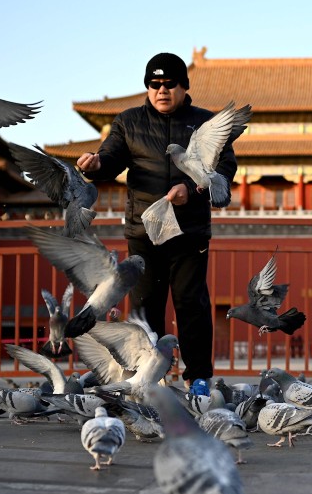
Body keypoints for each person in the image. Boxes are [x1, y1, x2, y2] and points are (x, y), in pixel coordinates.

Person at [76, 53, 237, 391]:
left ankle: (199, 379)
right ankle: (151, 382)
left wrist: (191, 192)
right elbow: (111, 159)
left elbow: (225, 170)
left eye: (169, 83)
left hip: (189, 231)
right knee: (146, 310)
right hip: (144, 233)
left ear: (184, 85)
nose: (161, 90)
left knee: (191, 304)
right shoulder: (128, 122)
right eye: (154, 84)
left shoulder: (206, 123)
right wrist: (94, 166)